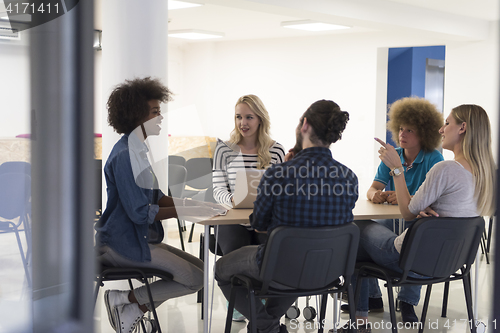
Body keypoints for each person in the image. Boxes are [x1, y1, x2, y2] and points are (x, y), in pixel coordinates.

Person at [346, 104, 496, 333]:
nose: (441, 130)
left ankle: (360, 321)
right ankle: (371, 307)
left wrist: (397, 170)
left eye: (447, 123)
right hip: (450, 263)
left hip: (410, 259)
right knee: (369, 240)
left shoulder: (445, 168)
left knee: (355, 229)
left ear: (463, 128)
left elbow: (407, 211)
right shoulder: (486, 173)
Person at [215, 99, 359, 333]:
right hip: (328, 271)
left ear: (305, 125)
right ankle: (268, 326)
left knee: (221, 269)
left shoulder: (279, 174)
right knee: (293, 272)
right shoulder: (349, 177)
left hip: (282, 266)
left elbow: (259, 225)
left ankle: (267, 326)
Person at [95, 77, 225, 333]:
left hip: (137, 239)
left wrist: (194, 203)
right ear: (137, 116)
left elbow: (158, 198)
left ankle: (133, 306)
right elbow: (140, 213)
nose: (161, 117)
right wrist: (187, 211)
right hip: (121, 243)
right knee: (195, 278)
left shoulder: (139, 151)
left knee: (199, 269)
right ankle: (126, 300)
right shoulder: (125, 156)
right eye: (155, 112)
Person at [344, 97, 444, 321]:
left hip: (417, 220)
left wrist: (398, 194)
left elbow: (423, 199)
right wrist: (376, 195)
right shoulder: (394, 155)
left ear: (424, 134)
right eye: (400, 129)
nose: (402, 134)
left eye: (410, 130)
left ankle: (406, 303)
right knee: (362, 231)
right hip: (395, 218)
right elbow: (372, 188)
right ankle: (372, 297)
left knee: (404, 234)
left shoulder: (433, 158)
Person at [212, 94, 285, 255]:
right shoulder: (224, 149)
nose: (242, 123)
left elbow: (281, 190)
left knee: (272, 256)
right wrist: (233, 199)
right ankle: (228, 280)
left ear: (260, 119)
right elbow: (217, 190)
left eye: (249, 117)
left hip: (266, 219)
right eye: (238, 117)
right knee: (235, 253)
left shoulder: (277, 150)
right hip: (233, 219)